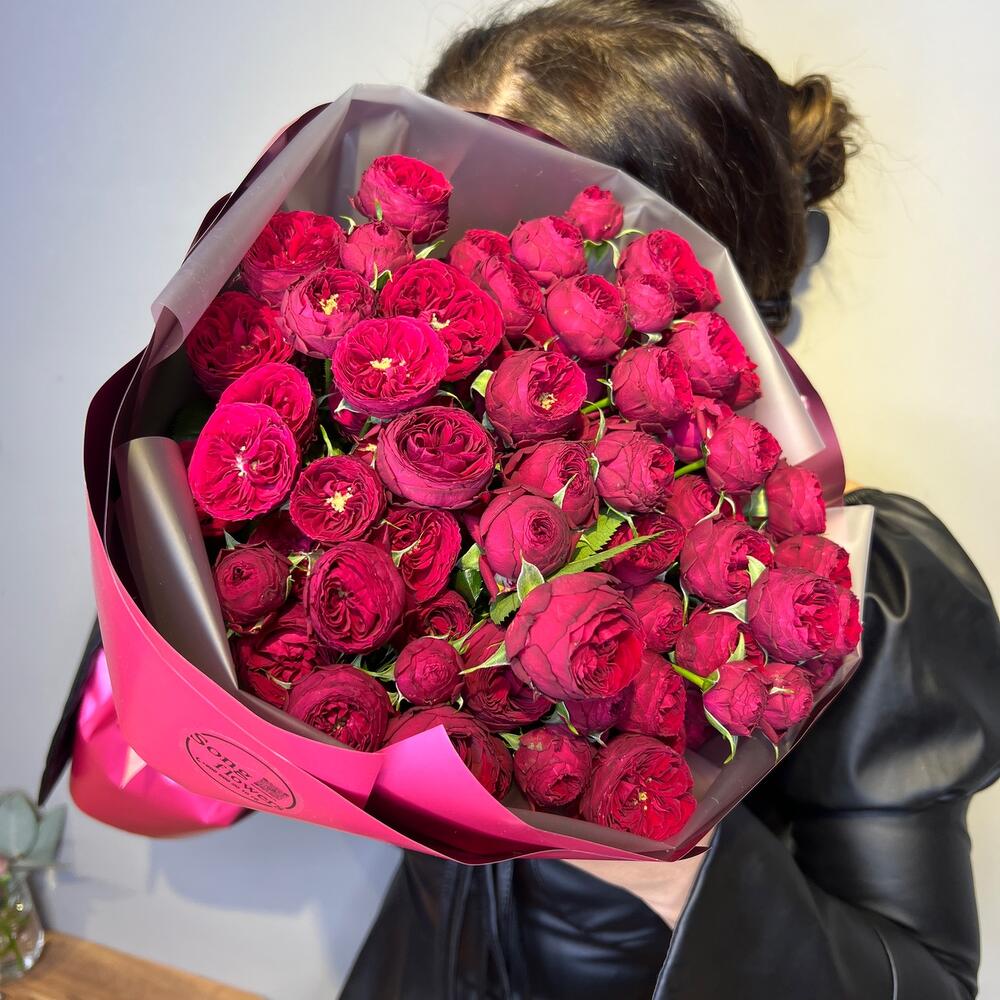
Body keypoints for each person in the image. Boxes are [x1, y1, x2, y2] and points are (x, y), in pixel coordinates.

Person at [340, 2, 1000, 998]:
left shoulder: (862, 585)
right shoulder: (421, 507)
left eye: (524, 248)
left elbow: (931, 983)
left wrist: (665, 859)